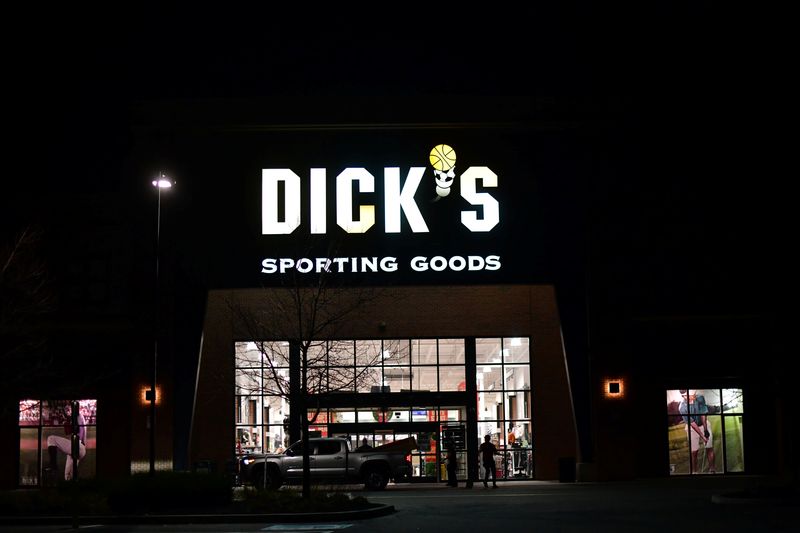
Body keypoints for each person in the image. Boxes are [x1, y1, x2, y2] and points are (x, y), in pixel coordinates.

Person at [678, 389, 716, 474]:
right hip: (692, 428)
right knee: (694, 452)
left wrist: (705, 431)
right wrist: (702, 436)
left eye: (694, 392)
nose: (694, 394)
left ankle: (712, 470)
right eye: (692, 394)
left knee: (709, 448)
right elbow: (693, 424)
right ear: (685, 396)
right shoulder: (682, 407)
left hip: (704, 424)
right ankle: (695, 472)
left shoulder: (700, 398)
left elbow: (703, 414)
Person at [44, 407, 86, 481]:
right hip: (76, 449)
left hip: (77, 445)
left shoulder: (78, 416)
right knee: (68, 476)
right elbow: (69, 433)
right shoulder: (76, 417)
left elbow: (78, 430)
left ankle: (53, 465)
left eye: (69, 410)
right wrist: (66, 422)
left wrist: (67, 420)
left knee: (51, 438)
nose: (68, 412)